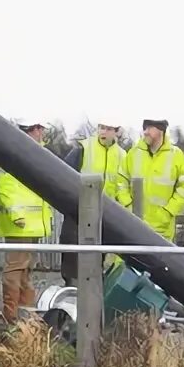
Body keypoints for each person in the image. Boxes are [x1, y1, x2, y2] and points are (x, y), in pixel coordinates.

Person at [0, 117, 53, 323]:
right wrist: (17, 214)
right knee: (16, 268)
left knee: (26, 270)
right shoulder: (16, 151)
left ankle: (25, 316)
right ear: (34, 129)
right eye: (41, 129)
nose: (43, 134)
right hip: (21, 224)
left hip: (31, 224)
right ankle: (12, 317)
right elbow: (5, 185)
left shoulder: (30, 151)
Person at [59, 119, 128, 285]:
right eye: (101, 128)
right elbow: (63, 179)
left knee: (97, 262)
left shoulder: (123, 157)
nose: (103, 132)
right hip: (78, 215)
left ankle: (95, 300)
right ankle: (72, 294)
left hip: (105, 217)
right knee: (73, 261)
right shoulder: (82, 150)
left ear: (117, 132)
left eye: (108, 128)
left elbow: (125, 187)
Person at [119, 119, 184, 241]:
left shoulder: (177, 155)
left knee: (158, 260)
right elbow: (121, 181)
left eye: (149, 128)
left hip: (162, 230)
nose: (145, 132)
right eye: (144, 128)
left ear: (161, 130)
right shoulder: (133, 153)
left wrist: (168, 212)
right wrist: (127, 205)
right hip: (134, 225)